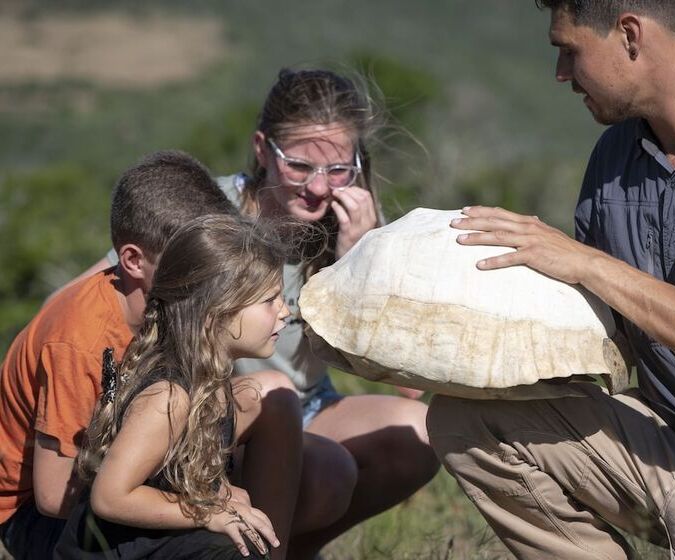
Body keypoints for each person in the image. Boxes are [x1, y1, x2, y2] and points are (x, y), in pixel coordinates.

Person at [427, 2, 675, 559]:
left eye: (569, 51)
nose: (561, 74)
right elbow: (602, 340)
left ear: (630, 35)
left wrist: (590, 265)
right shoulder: (614, 157)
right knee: (468, 416)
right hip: (672, 462)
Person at [0, 151, 304, 559]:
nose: (208, 268)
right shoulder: (81, 339)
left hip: (126, 474)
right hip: (43, 519)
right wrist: (201, 504)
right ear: (133, 260)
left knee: (274, 397)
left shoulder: (178, 314)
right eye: (190, 258)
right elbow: (54, 497)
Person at [227, 68, 439, 557]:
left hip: (308, 410)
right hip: (219, 415)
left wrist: (359, 260)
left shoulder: (353, 226)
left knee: (420, 432)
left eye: (338, 170)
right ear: (263, 150)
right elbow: (103, 294)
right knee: (324, 473)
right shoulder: (210, 207)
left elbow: (409, 382)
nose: (319, 188)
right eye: (299, 166)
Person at [54, 214, 292, 559]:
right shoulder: (168, 396)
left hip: (156, 545)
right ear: (215, 312)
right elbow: (110, 497)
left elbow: (182, 471)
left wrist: (223, 495)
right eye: (270, 300)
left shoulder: (209, 378)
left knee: (245, 538)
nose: (284, 312)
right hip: (116, 551)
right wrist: (209, 511)